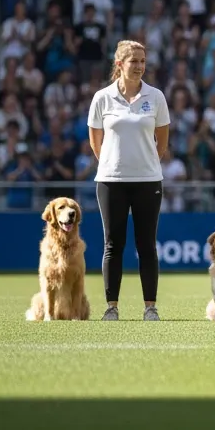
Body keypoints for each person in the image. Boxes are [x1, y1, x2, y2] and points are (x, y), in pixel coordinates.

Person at [87, 40, 170, 321]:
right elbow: (96, 142)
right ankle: (112, 307)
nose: (139, 66)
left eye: (143, 61)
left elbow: (162, 141)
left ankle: (150, 307)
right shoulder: (102, 97)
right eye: (133, 61)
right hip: (111, 181)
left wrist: (145, 165)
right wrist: (114, 164)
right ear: (119, 64)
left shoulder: (156, 96)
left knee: (147, 245)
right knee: (113, 245)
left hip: (148, 181)